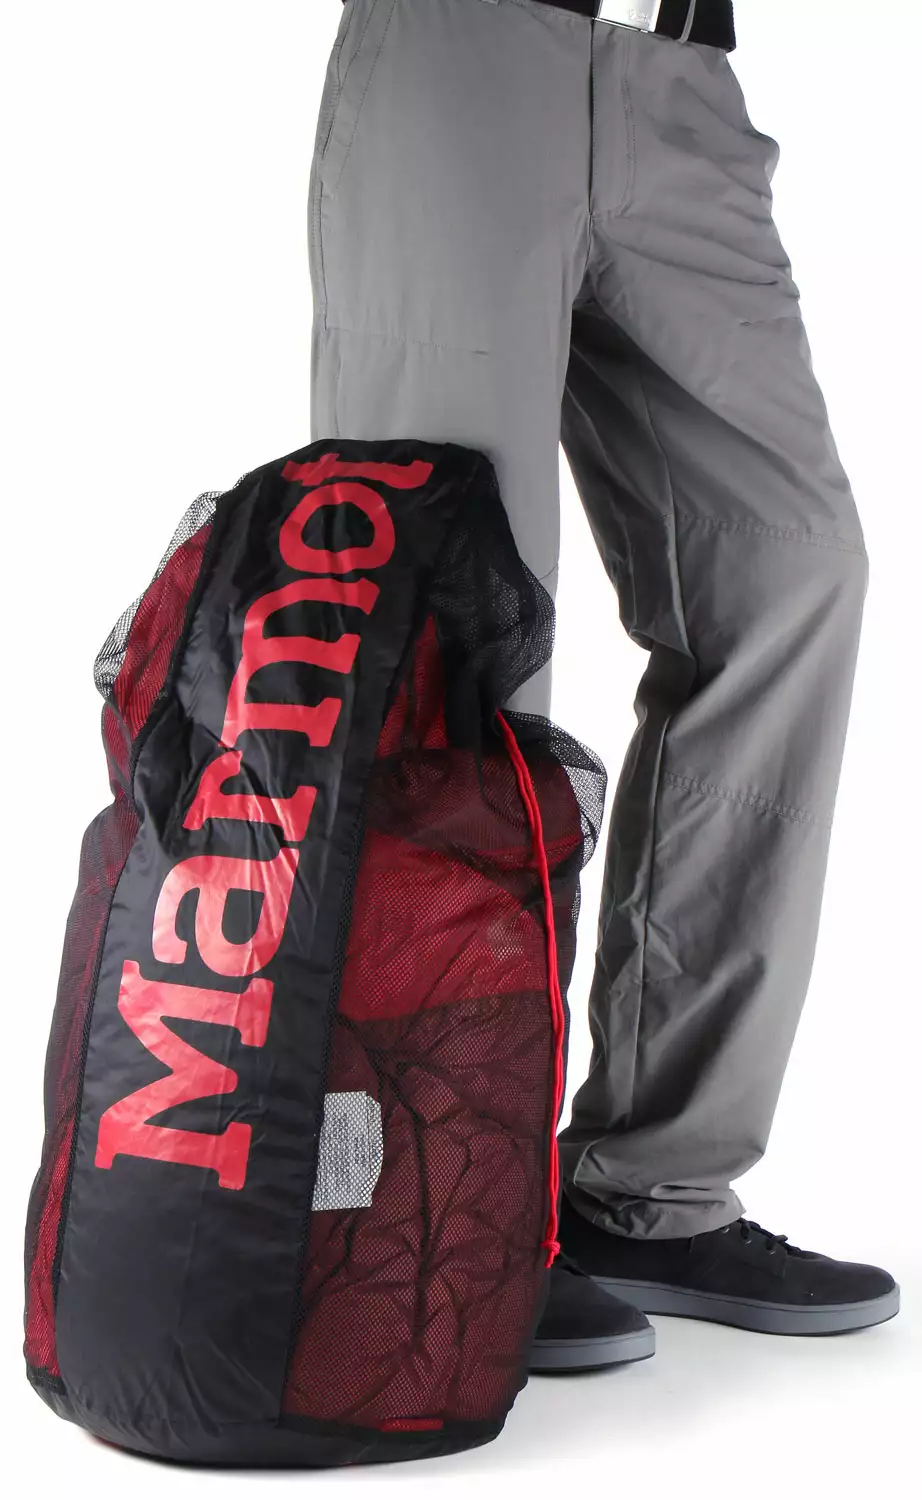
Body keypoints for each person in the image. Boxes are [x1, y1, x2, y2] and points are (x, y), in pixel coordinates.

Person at [309, 0, 899, 1369]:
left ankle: (649, 1192)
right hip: (466, 56)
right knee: (452, 607)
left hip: (683, 84)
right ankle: (441, 1213)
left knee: (792, 573)